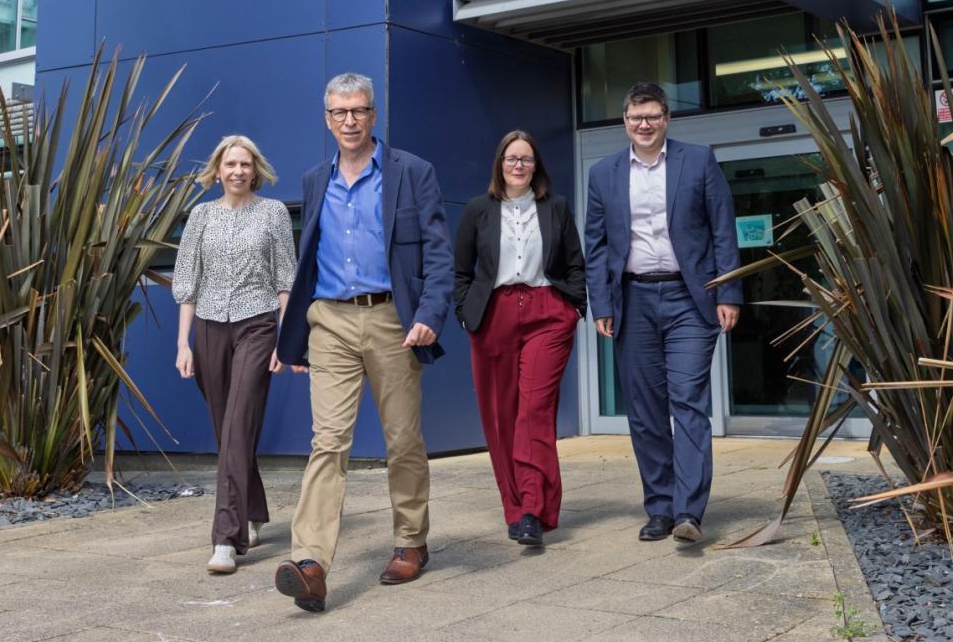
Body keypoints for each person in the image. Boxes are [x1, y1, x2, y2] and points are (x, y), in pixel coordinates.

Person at [273, 73, 454, 613]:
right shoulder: (314, 179)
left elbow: (439, 254)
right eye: (339, 113)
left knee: (402, 439)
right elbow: (309, 258)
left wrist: (429, 314)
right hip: (330, 321)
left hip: (391, 321)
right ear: (327, 119)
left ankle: (410, 540)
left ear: (373, 116)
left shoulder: (412, 173)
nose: (349, 121)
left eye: (358, 111)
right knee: (328, 441)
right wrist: (300, 333)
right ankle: (310, 563)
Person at [583, 82, 742, 545]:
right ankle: (660, 507)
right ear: (625, 122)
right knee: (645, 410)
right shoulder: (603, 173)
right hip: (631, 300)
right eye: (636, 118)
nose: (644, 124)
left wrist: (728, 293)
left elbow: (722, 230)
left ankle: (690, 511)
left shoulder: (698, 160)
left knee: (688, 401)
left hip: (689, 299)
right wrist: (602, 304)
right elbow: (596, 246)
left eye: (652, 116)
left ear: (667, 118)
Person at [453, 130, 587, 548]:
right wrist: (464, 313)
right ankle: (516, 508)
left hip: (547, 312)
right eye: (511, 158)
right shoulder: (478, 210)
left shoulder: (556, 208)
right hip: (494, 317)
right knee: (500, 417)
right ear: (499, 164)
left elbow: (575, 264)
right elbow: (460, 271)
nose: (518, 165)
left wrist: (574, 308)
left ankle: (532, 508)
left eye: (526, 159)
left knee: (533, 411)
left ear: (536, 166)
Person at [172, 134, 296, 575]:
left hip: (258, 325)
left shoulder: (274, 213)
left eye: (245, 164)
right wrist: (183, 343)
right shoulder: (201, 215)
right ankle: (255, 510)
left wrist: (286, 339)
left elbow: (286, 279)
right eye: (231, 164)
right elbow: (187, 281)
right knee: (229, 432)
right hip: (207, 329)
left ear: (255, 169)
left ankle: (226, 538)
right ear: (218, 170)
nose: (238, 171)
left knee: (239, 423)